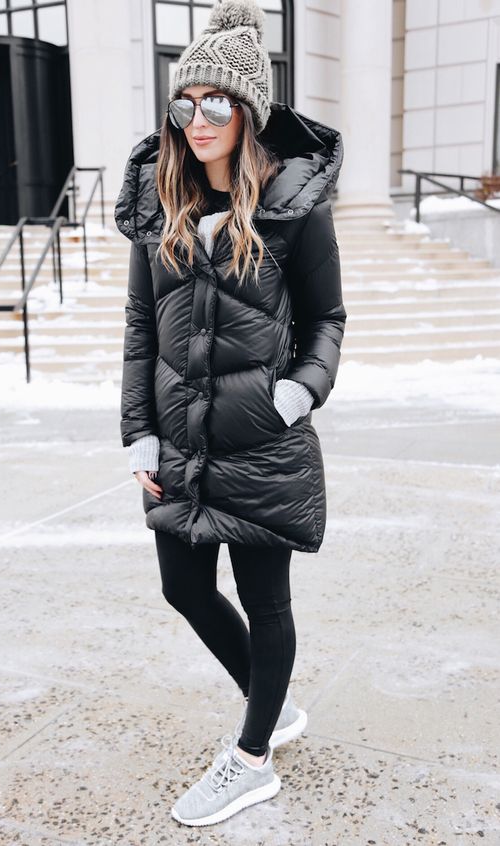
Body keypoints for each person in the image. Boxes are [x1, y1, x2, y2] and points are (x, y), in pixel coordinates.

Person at [114, 0, 346, 828]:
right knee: (183, 586)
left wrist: (298, 392)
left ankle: (251, 761)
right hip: (178, 438)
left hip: (259, 439)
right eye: (186, 103)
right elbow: (141, 327)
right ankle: (270, 704)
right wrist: (138, 430)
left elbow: (327, 320)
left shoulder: (293, 206)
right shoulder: (159, 204)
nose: (200, 118)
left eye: (217, 101)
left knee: (265, 598)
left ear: (248, 109)